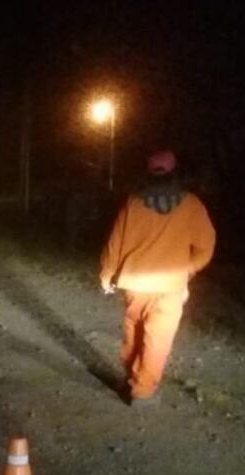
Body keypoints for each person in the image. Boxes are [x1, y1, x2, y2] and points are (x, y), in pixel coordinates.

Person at [99, 150, 216, 405]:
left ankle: (130, 377)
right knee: (157, 338)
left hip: (136, 282)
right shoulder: (191, 204)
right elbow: (206, 245)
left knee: (134, 330)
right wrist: (190, 268)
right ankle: (142, 391)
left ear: (148, 173)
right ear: (175, 172)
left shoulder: (133, 203)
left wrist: (107, 274)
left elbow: (115, 241)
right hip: (170, 284)